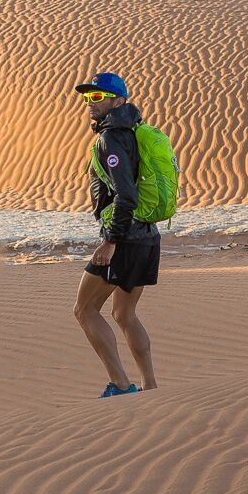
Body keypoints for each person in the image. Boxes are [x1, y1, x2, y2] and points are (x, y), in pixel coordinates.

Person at [71, 71, 158, 397]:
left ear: (118, 100)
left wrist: (110, 241)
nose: (89, 103)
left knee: (84, 310)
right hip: (148, 237)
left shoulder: (111, 139)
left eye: (97, 97)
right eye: (87, 98)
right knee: (124, 313)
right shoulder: (135, 133)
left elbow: (126, 194)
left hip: (125, 239)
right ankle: (150, 386)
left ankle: (121, 385)